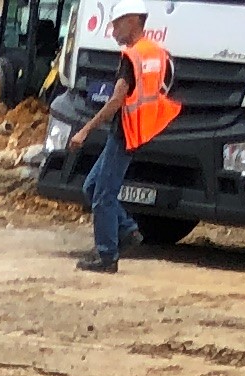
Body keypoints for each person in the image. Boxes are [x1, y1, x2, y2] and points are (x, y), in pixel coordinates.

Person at [72, 3, 178, 273]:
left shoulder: (132, 57)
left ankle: (107, 256)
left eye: (116, 23)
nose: (113, 30)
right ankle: (128, 230)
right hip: (137, 131)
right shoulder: (155, 53)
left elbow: (116, 101)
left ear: (132, 21)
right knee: (92, 187)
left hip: (126, 133)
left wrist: (85, 130)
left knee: (103, 196)